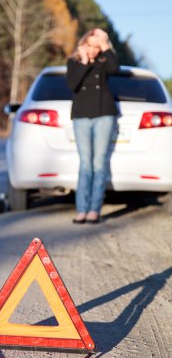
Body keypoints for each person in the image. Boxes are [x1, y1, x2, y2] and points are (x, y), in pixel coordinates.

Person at [66, 28, 119, 224]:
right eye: (90, 45)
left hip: (104, 115)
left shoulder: (105, 61)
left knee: (99, 164)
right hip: (81, 116)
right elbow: (72, 85)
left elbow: (115, 69)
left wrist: (105, 45)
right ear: (82, 44)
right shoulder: (74, 62)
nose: (93, 50)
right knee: (85, 164)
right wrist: (84, 62)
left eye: (97, 47)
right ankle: (82, 209)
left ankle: (94, 210)